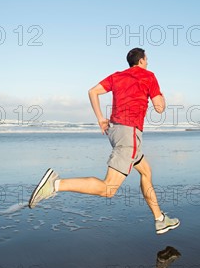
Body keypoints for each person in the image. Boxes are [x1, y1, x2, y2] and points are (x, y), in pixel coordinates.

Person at [28, 48, 180, 235]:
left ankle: (160, 219)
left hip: (116, 131)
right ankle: (55, 184)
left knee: (146, 172)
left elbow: (92, 92)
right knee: (108, 189)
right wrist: (162, 98)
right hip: (129, 134)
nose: (147, 62)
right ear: (141, 60)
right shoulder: (148, 76)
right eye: (147, 59)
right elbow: (159, 108)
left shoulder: (117, 76)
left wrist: (101, 118)